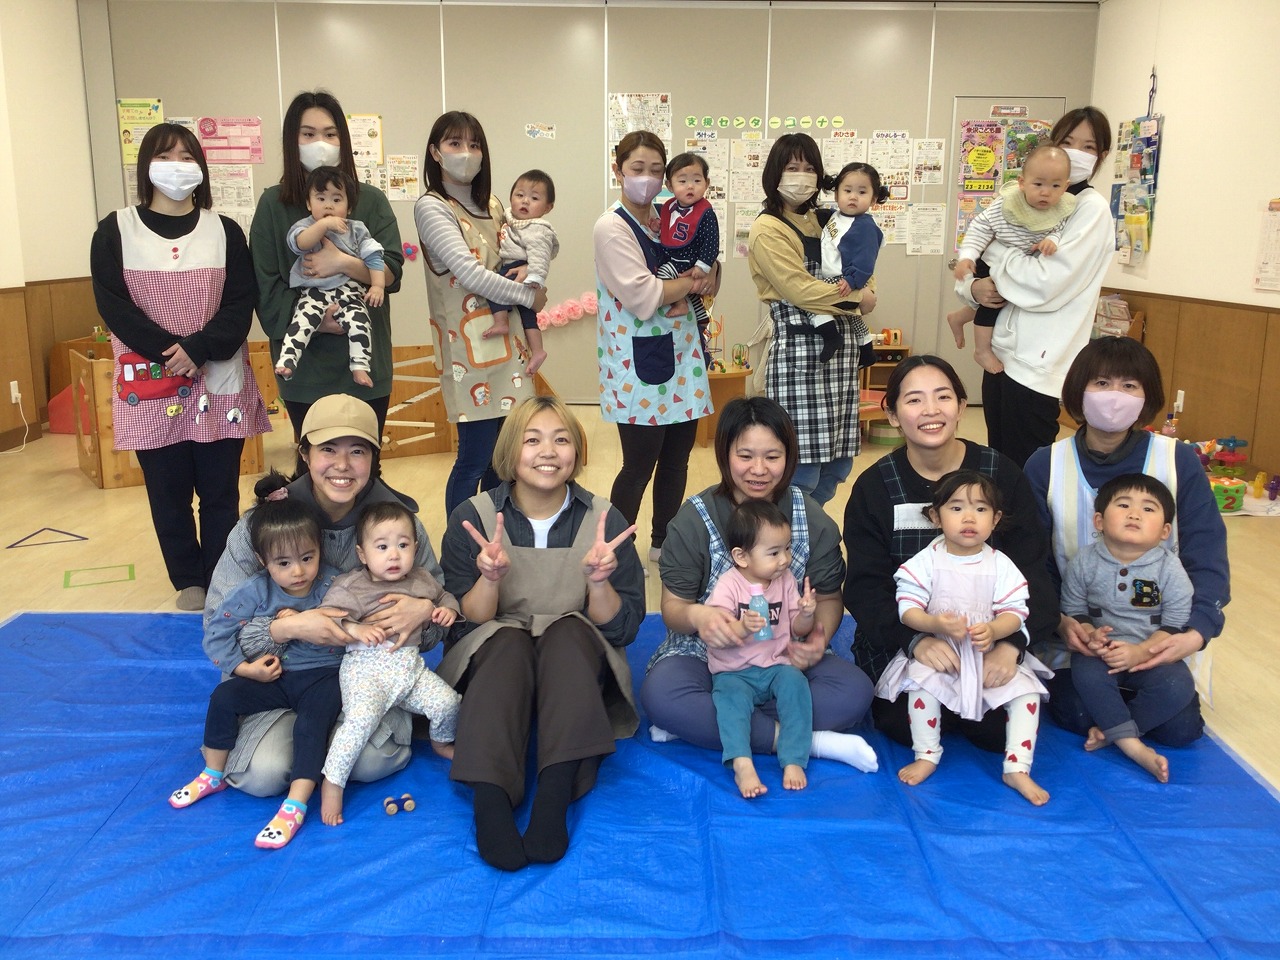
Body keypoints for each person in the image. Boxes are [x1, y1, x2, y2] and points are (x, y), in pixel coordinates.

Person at [437, 396, 644, 871]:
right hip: (497, 647)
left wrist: (600, 584)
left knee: (568, 635)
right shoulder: (472, 516)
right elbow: (463, 626)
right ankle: (490, 800)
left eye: (561, 439)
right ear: (510, 450)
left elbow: (624, 627)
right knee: (506, 643)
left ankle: (554, 797)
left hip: (575, 654)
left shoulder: (605, 520)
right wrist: (489, 580)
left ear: (577, 451)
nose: (548, 451)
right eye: (532, 440)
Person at [204, 394, 445, 797]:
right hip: (280, 682)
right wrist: (287, 629)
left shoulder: (399, 525)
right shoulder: (263, 524)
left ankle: (329, 743)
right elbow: (218, 622)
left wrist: (422, 612)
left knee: (369, 761)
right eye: (328, 449)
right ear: (304, 453)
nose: (342, 465)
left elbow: (438, 618)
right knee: (265, 775)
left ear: (373, 457)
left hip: (368, 682)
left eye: (357, 451)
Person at [642, 396, 878, 774]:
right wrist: (700, 616)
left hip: (784, 653)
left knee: (855, 692)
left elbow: (829, 598)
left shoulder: (810, 517)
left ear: (789, 456)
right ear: (725, 455)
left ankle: (716, 724)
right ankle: (808, 741)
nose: (759, 470)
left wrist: (817, 639)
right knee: (663, 694)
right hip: (709, 657)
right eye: (745, 456)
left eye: (772, 456)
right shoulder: (695, 518)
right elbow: (673, 606)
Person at [90, 121, 269, 612]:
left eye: (187, 157)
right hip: (151, 380)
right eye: (165, 156)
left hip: (218, 377)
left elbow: (240, 302)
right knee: (167, 493)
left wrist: (199, 348)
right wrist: (171, 351)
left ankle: (222, 573)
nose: (177, 166)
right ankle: (188, 578)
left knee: (219, 491)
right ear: (145, 167)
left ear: (201, 168)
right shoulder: (115, 230)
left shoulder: (224, 231)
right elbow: (114, 306)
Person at [844, 356, 1059, 754]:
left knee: (997, 731)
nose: (930, 410)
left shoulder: (1001, 474)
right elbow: (865, 587)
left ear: (961, 407)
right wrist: (915, 641)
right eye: (914, 400)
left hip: (988, 641)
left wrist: (1011, 645)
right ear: (892, 414)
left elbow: (1033, 571)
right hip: (904, 639)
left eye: (943, 397)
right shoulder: (875, 487)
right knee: (902, 724)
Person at [1023, 336, 1228, 746]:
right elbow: (1031, 560)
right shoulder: (1046, 463)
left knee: (1180, 731)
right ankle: (1119, 725)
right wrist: (1059, 620)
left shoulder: (1177, 460)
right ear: (1078, 392)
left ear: (1146, 397)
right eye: (1101, 383)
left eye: (1129, 386)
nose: (1114, 396)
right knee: (1076, 713)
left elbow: (1206, 555)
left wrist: (1195, 631)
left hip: (1159, 638)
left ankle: (1118, 729)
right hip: (1081, 640)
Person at [170, 475, 342, 849]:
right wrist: (244, 669)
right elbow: (217, 632)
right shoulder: (254, 590)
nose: (298, 572)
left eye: (307, 558)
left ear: (320, 550)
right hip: (276, 678)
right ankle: (213, 772)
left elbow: (358, 616)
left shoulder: (335, 583)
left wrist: (323, 621)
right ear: (264, 562)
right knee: (224, 697)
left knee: (310, 724)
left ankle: (295, 804)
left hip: (324, 677)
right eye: (284, 563)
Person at [875, 470, 1052, 805]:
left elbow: (1016, 613)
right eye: (956, 508)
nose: (969, 518)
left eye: (981, 509)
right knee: (921, 687)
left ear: (995, 519)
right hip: (940, 652)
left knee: (1026, 693)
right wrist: (933, 623)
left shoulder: (1001, 565)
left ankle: (1017, 766)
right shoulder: (925, 561)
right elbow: (907, 609)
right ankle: (927, 753)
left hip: (988, 655)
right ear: (935, 516)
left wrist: (995, 631)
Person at [955, 106, 1116, 467]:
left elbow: (1043, 285)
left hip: (1036, 365)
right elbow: (978, 262)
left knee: (1027, 470)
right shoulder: (1025, 199)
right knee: (999, 463)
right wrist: (972, 289)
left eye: (1088, 147)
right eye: (1068, 142)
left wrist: (995, 252)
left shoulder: (1090, 209)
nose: (1076, 152)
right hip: (1002, 354)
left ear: (1101, 156)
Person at [414, 112, 549, 516]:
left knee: (504, 460)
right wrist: (530, 297)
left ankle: (496, 533)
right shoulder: (432, 206)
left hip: (510, 346)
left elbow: (522, 252)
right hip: (468, 354)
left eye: (474, 145)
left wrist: (535, 281)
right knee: (473, 459)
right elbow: (471, 273)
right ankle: (461, 542)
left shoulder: (493, 204)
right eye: (454, 144)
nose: (466, 153)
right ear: (435, 152)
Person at [250, 90, 403, 439]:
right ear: (292, 141)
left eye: (330, 134)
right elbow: (264, 285)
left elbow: (391, 273)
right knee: (312, 462)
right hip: (305, 369)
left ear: (343, 140)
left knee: (366, 461)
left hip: (366, 363)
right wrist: (320, 321)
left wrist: (343, 263)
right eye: (308, 134)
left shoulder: (371, 200)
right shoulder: (273, 204)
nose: (320, 143)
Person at [595, 131, 718, 564]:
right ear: (618, 170)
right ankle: (615, 549)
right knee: (638, 465)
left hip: (684, 356)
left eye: (654, 170)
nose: (646, 178)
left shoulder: (671, 213)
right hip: (639, 363)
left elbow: (713, 273)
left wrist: (699, 280)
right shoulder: (612, 227)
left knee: (677, 460)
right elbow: (644, 297)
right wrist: (691, 283)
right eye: (637, 168)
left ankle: (663, 542)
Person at [747, 133, 875, 505]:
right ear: (775, 173)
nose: (801, 176)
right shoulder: (768, 229)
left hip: (842, 355)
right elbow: (800, 291)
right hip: (800, 353)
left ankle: (809, 528)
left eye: (809, 168)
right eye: (792, 167)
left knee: (838, 465)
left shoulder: (828, 220)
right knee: (800, 469)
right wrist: (858, 297)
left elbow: (863, 262)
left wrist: (865, 289)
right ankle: (787, 532)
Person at [319, 500, 462, 825]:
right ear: (362, 554)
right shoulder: (352, 586)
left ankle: (441, 742)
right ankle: (333, 783)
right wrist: (355, 628)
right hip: (366, 672)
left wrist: (446, 610)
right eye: (382, 547)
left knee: (448, 703)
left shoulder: (421, 580)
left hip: (409, 671)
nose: (394, 555)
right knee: (359, 724)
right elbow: (327, 617)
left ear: (415, 548)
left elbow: (444, 596)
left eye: (403, 545)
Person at [1060, 474, 1194, 783]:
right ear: (1099, 521)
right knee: (1085, 673)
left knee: (1178, 685)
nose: (1134, 514)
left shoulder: (1168, 567)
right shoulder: (1085, 561)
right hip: (1102, 655)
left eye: (1148, 509)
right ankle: (1132, 745)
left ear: (1165, 531)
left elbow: (1176, 621)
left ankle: (1115, 735)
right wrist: (1090, 635)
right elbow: (1074, 608)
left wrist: (1142, 652)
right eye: (1123, 505)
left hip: (1151, 655)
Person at [705, 500, 818, 799]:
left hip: (776, 666)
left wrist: (806, 614)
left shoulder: (785, 580)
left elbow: (798, 629)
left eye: (787, 549)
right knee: (730, 703)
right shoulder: (729, 585)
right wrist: (742, 627)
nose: (785, 560)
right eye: (774, 552)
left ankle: (793, 758)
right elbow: (716, 633)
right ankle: (742, 764)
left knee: (796, 684)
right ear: (741, 556)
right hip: (734, 671)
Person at [947, 145, 1077, 375]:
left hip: (1018, 266)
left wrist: (1052, 240)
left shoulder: (1061, 209)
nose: (1046, 192)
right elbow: (980, 228)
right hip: (993, 263)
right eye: (1038, 184)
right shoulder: (1007, 205)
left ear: (1066, 187)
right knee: (993, 303)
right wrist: (967, 256)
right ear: (1022, 183)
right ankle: (982, 350)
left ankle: (958, 317)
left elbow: (1059, 230)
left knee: (1004, 300)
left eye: (1055, 186)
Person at [277, 166, 385, 388]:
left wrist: (377, 286)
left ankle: (360, 365)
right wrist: (324, 224)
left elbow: (374, 256)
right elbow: (301, 243)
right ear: (309, 204)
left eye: (337, 200)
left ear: (349, 207)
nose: (328, 205)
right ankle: (287, 360)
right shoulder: (304, 226)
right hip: (314, 293)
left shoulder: (357, 230)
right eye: (321, 198)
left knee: (360, 322)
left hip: (350, 294)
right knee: (302, 321)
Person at [810, 162, 887, 363]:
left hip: (845, 278)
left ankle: (831, 336)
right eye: (847, 191)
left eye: (862, 192)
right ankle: (867, 350)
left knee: (810, 299)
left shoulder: (864, 226)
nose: (853, 197)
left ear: (874, 198)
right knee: (853, 316)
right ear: (837, 195)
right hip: (842, 276)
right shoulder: (838, 216)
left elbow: (866, 259)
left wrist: (853, 281)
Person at [484, 170, 558, 377]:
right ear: (511, 198)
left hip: (519, 268)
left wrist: (535, 277)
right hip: (519, 267)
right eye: (520, 195)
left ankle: (501, 322)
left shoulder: (537, 228)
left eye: (534, 198)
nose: (525, 201)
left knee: (495, 289)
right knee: (528, 315)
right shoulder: (509, 217)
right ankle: (538, 350)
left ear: (547, 207)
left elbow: (541, 255)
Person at [656, 152, 719, 342]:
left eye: (697, 181)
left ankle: (680, 303)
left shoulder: (705, 213)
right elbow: (668, 230)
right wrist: (657, 227)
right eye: (682, 181)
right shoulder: (668, 208)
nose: (690, 186)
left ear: (707, 183)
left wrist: (703, 266)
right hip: (676, 259)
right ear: (669, 186)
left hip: (688, 261)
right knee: (693, 296)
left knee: (663, 275)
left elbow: (711, 241)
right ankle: (701, 317)